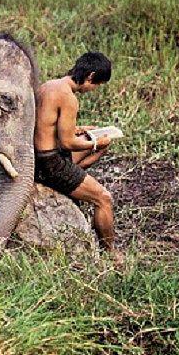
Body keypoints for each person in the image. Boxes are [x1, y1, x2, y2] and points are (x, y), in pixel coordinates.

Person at [34, 51, 121, 259]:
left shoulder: (49, 86)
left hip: (38, 155)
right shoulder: (69, 98)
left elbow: (48, 126)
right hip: (51, 162)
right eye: (97, 85)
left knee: (101, 147)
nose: (94, 90)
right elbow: (67, 142)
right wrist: (95, 141)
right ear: (90, 76)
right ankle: (111, 253)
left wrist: (80, 130)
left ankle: (73, 183)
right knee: (103, 199)